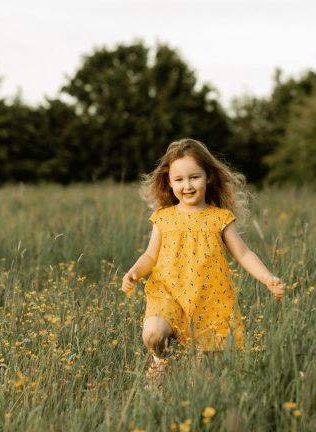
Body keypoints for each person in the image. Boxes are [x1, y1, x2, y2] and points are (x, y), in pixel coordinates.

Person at [121, 138, 285, 377]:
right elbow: (150, 254)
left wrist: (268, 278)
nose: (187, 185)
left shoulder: (220, 218)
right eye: (179, 179)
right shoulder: (163, 217)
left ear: (208, 177)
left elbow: (243, 253)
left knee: (205, 377)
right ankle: (160, 361)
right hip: (169, 294)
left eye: (194, 177)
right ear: (169, 182)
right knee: (153, 333)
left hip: (210, 300)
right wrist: (134, 272)